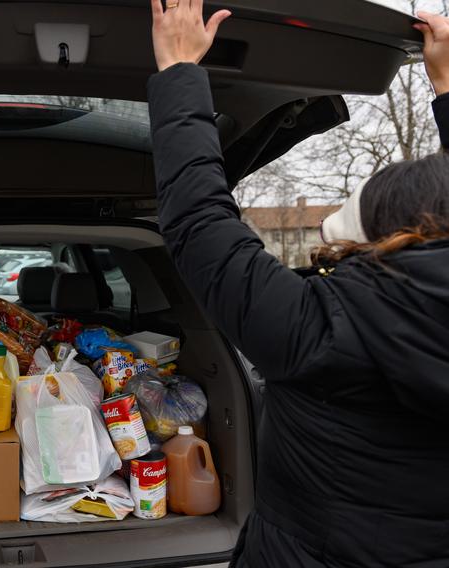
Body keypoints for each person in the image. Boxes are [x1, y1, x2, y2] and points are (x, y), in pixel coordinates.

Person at [146, 1, 449, 566]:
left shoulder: (323, 328)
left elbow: (199, 220)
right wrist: (180, 74)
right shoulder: (313, 324)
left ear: (382, 234)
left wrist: (182, 69)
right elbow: (199, 220)